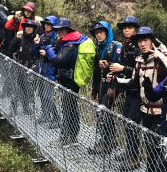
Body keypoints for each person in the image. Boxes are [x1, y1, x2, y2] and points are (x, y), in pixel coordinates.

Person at [113, 27, 167, 172]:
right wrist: (117, 80)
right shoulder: (139, 60)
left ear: (152, 41)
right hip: (145, 109)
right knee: (148, 144)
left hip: (160, 111)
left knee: (156, 148)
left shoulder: (160, 60)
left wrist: (161, 56)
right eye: (140, 41)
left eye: (146, 40)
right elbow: (134, 82)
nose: (143, 44)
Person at [42, 18, 88, 147]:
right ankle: (72, 137)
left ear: (68, 29)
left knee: (68, 108)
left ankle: (65, 138)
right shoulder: (67, 42)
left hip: (70, 80)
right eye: (58, 29)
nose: (60, 31)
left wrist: (48, 47)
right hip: (68, 78)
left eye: (62, 29)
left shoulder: (71, 44)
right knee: (71, 107)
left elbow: (58, 60)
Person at [108, 16, 141, 163]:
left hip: (140, 91)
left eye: (130, 27)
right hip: (129, 88)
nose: (126, 30)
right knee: (126, 120)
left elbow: (139, 71)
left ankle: (134, 157)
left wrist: (123, 68)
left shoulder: (139, 47)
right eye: (124, 28)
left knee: (132, 122)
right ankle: (129, 152)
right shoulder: (126, 45)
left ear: (135, 29)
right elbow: (121, 65)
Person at [88, 21, 122, 155]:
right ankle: (110, 139)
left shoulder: (115, 47)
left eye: (101, 32)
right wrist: (93, 91)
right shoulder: (98, 49)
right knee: (101, 112)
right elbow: (96, 72)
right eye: (96, 33)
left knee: (103, 111)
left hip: (112, 85)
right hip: (101, 84)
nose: (99, 35)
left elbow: (120, 66)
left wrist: (113, 86)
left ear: (107, 33)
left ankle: (108, 142)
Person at [34, 16, 60, 127]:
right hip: (41, 68)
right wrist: (36, 44)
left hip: (50, 69)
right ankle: (45, 115)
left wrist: (47, 54)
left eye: (49, 24)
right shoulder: (41, 36)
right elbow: (36, 53)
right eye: (45, 24)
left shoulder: (57, 38)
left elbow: (57, 55)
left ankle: (56, 117)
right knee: (41, 94)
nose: (47, 26)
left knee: (47, 96)